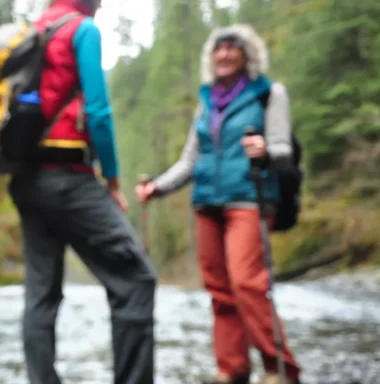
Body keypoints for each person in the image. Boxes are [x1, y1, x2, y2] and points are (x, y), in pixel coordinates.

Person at [135, 24, 301, 384]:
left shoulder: (269, 94)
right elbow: (189, 161)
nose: (224, 54)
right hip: (207, 203)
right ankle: (232, 368)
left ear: (247, 55)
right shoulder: (207, 101)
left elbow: (283, 149)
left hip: (250, 198)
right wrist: (157, 188)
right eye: (218, 49)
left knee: (247, 283)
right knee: (219, 291)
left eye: (232, 47)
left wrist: (265, 151)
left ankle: (280, 369)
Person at [8, 1, 157, 383]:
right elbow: (99, 111)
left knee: (40, 295)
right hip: (67, 175)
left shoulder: (34, 28)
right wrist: (111, 178)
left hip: (26, 180)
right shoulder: (82, 30)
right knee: (136, 279)